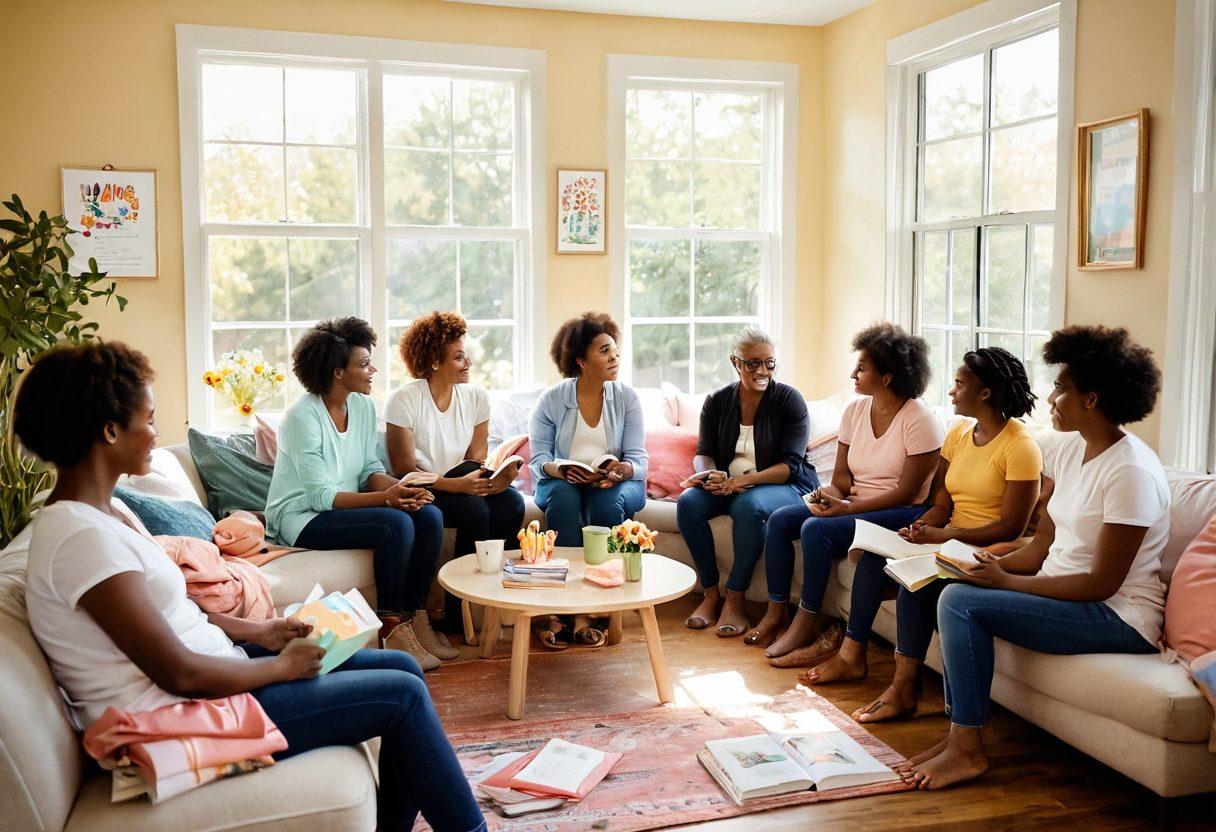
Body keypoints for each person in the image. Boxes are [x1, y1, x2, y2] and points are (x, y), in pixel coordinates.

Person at [14, 342, 485, 832]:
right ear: (109, 431)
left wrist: (258, 632)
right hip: (178, 719)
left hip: (213, 679)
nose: (156, 433)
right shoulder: (81, 539)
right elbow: (179, 674)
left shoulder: (106, 513)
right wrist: (281, 668)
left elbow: (166, 618)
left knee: (403, 665)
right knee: (401, 697)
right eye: (149, 420)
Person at [902, 326, 1167, 790]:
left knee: (960, 603)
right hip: (1066, 597)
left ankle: (967, 747)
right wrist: (987, 565)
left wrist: (1006, 584)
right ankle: (960, 736)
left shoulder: (1131, 472)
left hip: (1117, 616)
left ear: (1092, 399)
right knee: (949, 586)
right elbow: (1042, 546)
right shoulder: (1070, 452)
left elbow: (1100, 583)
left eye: (1062, 388)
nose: (1050, 397)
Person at [816, 348, 1041, 723]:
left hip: (984, 546)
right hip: (947, 537)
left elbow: (1012, 527)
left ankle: (904, 688)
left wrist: (944, 535)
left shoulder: (1020, 447)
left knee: (915, 585)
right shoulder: (959, 434)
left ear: (984, 393)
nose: (951, 392)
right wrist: (924, 526)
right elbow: (940, 501)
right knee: (873, 558)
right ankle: (852, 656)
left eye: (958, 383)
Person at [265, 318, 449, 670]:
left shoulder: (363, 406)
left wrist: (400, 489)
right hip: (302, 517)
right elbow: (320, 497)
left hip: (339, 507)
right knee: (395, 524)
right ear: (337, 372)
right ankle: (392, 631)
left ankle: (416, 619)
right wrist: (388, 499)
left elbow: (367, 469)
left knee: (429, 515)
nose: (372, 370)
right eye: (364, 364)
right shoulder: (302, 418)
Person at [761, 323, 944, 661]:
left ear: (887, 377)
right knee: (781, 520)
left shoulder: (919, 420)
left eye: (862, 367)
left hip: (901, 512)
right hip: (856, 504)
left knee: (815, 529)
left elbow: (906, 493)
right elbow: (842, 480)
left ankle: (806, 622)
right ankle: (776, 614)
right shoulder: (855, 411)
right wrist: (828, 496)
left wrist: (845, 509)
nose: (852, 373)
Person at [676, 326, 818, 637]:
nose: (762, 370)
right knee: (688, 503)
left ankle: (735, 596)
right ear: (735, 363)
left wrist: (742, 483)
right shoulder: (717, 401)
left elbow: (790, 466)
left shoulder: (789, 400)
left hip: (784, 485)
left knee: (748, 505)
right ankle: (711, 593)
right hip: (730, 484)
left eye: (769, 362)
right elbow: (704, 452)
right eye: (752, 363)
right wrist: (708, 473)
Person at [529, 313, 647, 645]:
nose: (614, 358)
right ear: (581, 360)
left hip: (617, 483)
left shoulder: (627, 398)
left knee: (608, 503)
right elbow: (538, 460)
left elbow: (639, 461)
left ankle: (600, 608)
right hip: (561, 481)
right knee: (564, 499)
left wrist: (620, 470)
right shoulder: (551, 400)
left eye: (615, 350)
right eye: (604, 351)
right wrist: (563, 470)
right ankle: (564, 608)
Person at [385, 310, 525, 577]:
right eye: (459, 357)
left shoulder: (476, 397)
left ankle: (498, 584)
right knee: (474, 510)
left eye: (466, 355)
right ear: (436, 362)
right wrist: (454, 485)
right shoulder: (404, 400)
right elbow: (404, 469)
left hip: (463, 482)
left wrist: (497, 479)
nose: (468, 363)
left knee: (512, 503)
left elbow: (476, 458)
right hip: (425, 488)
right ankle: (459, 606)